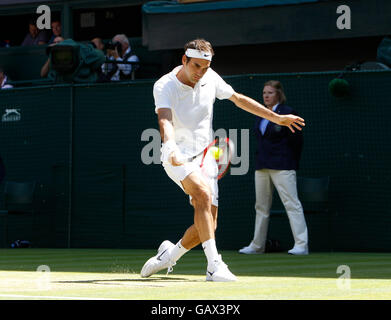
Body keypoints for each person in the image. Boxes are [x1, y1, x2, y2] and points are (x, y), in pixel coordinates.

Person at [140, 39, 305, 282]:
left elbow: (238, 98)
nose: (200, 72)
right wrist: (170, 146)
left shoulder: (210, 77)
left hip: (206, 155)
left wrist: (276, 118)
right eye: (196, 66)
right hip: (177, 154)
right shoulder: (164, 85)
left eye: (205, 67)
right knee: (203, 196)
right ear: (184, 60)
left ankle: (169, 256)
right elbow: (164, 119)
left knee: (207, 226)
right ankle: (214, 267)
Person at [239, 80, 308, 256]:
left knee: (292, 204)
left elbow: (296, 141)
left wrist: (290, 162)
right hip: (262, 166)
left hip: (283, 165)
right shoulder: (260, 114)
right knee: (261, 207)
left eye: (270, 93)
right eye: (264, 93)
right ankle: (257, 245)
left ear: (278, 94)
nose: (266, 96)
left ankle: (301, 245)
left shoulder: (287, 113)